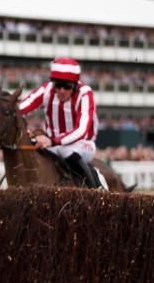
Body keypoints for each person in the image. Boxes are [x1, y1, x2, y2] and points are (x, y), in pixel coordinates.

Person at [18, 58, 101, 188]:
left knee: (65, 149)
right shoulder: (47, 90)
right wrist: (22, 127)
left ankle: (95, 190)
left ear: (75, 85)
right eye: (58, 85)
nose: (61, 90)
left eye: (67, 86)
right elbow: (20, 109)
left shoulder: (85, 95)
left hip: (83, 143)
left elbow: (81, 130)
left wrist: (53, 141)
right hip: (52, 143)